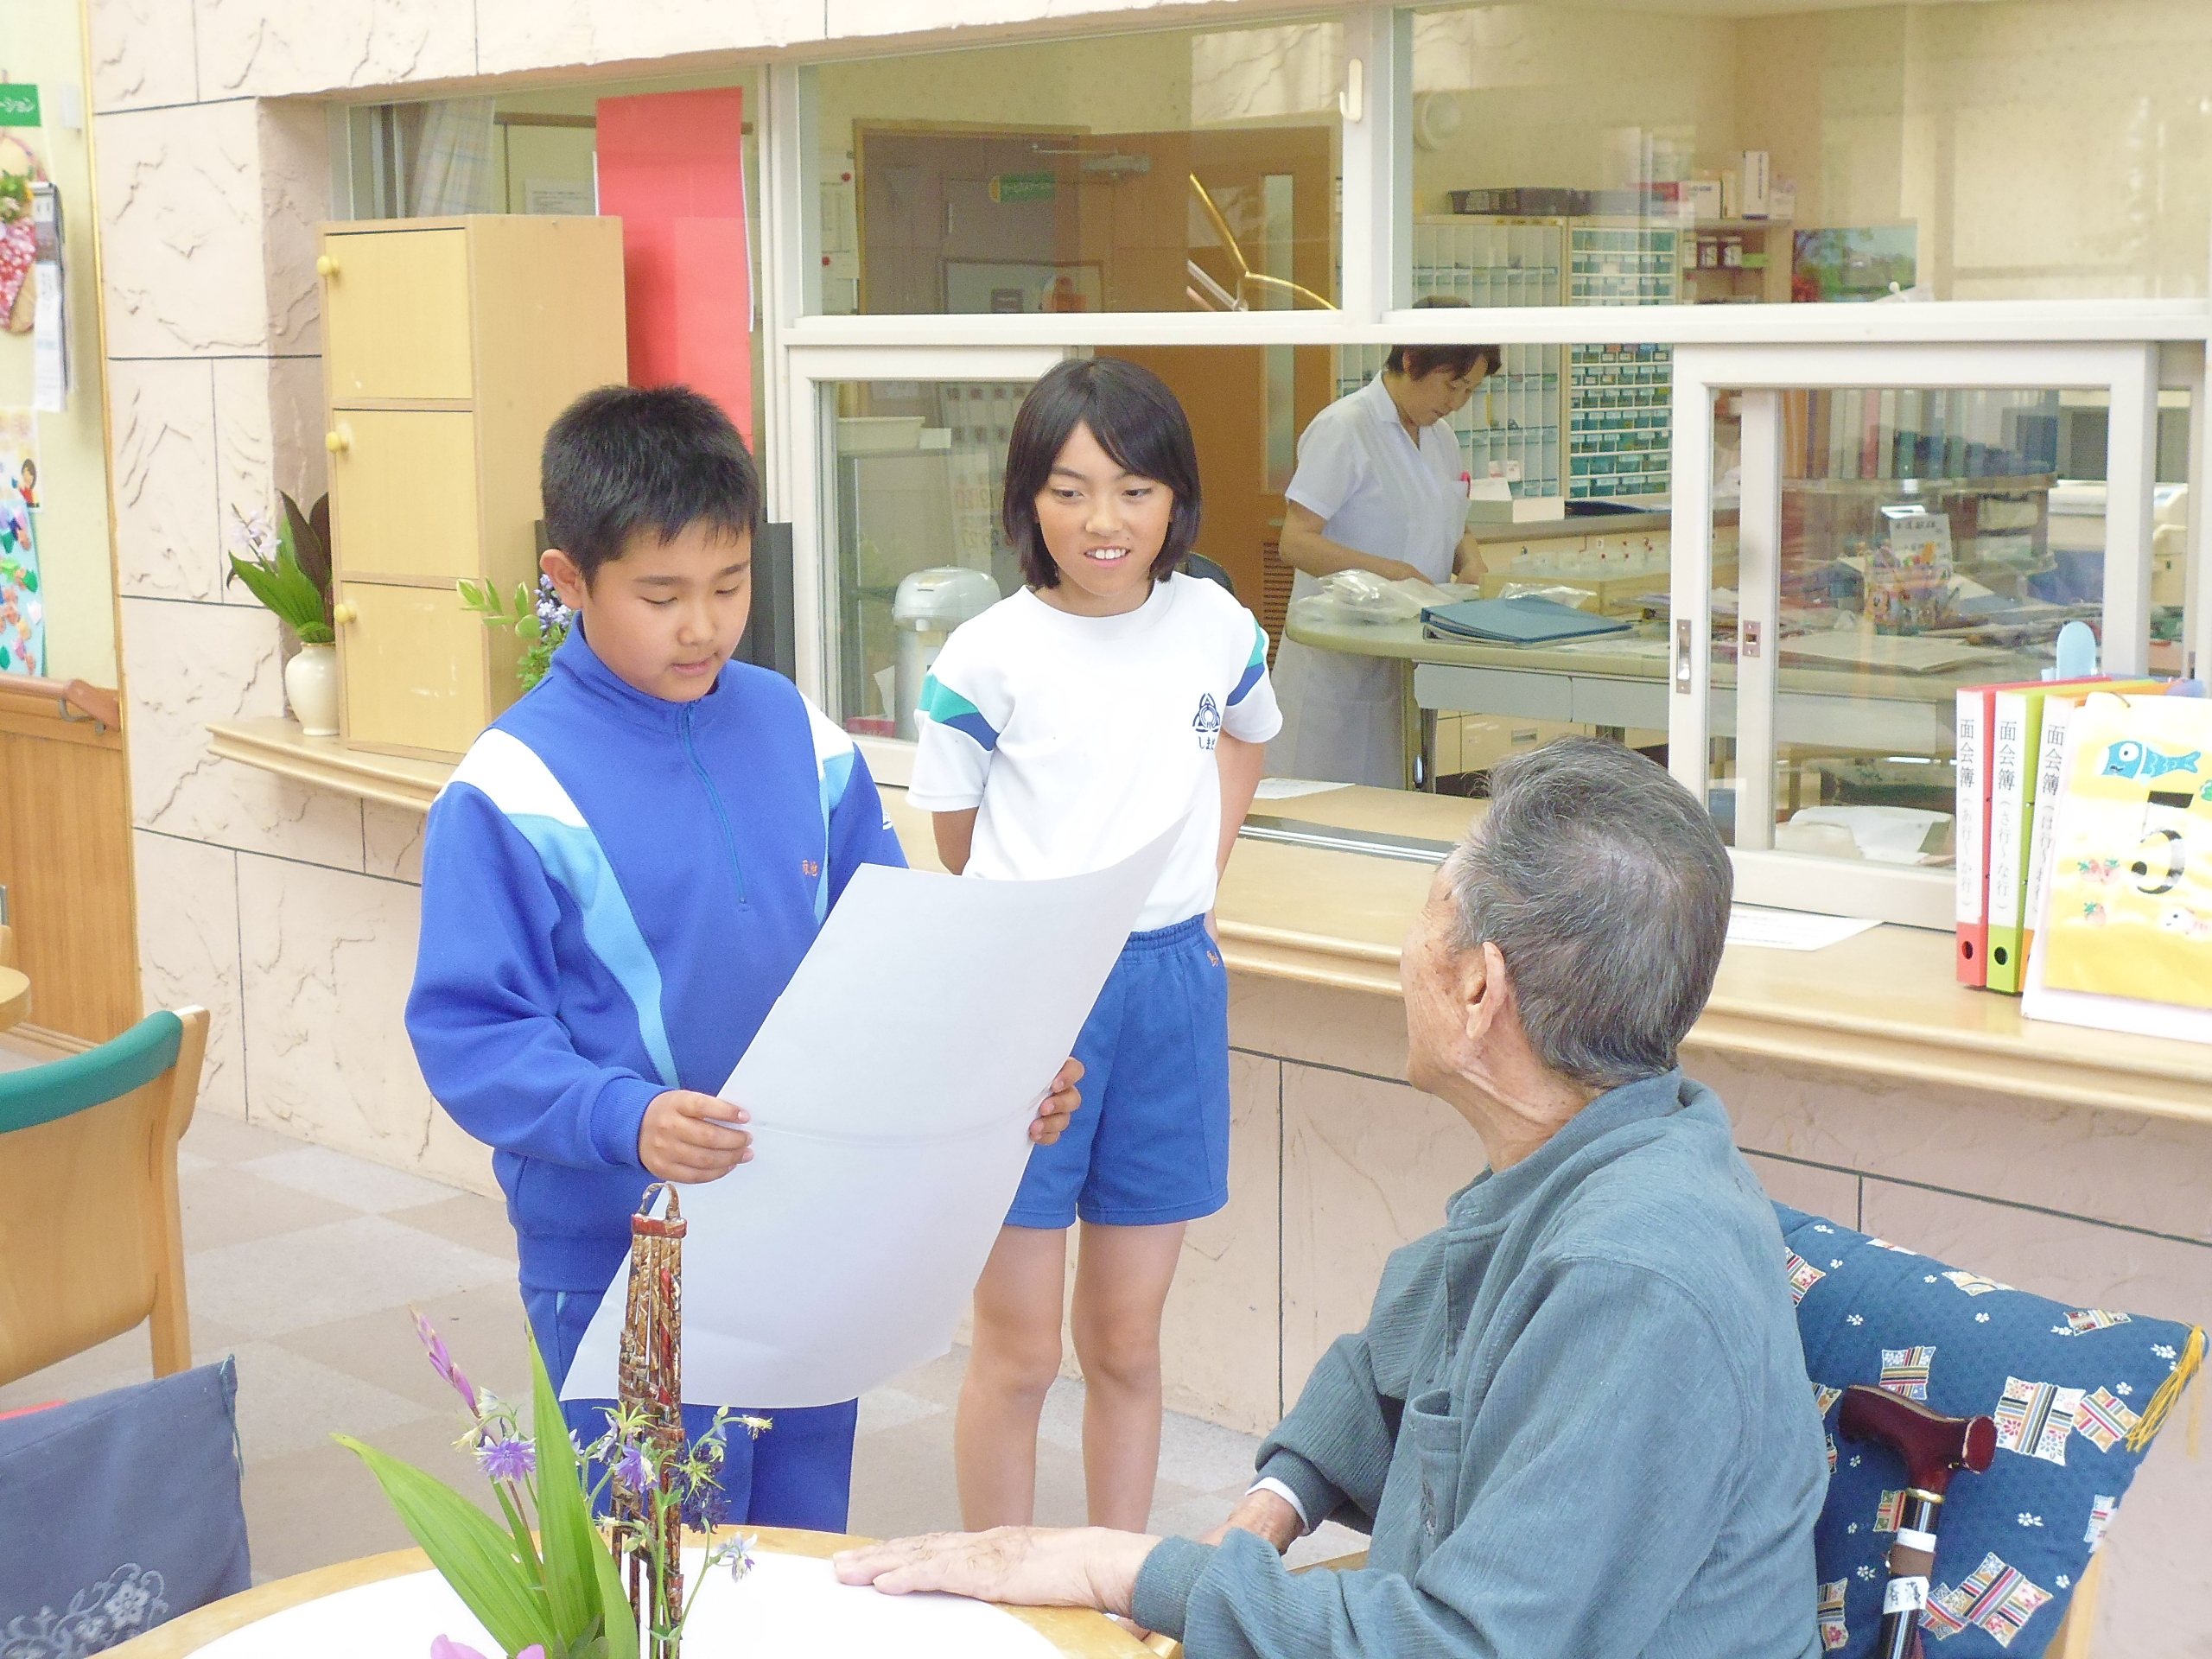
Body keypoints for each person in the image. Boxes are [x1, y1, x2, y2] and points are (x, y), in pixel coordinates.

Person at [836, 737, 1829, 1658]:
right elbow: (1395, 1371)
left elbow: (1466, 1645)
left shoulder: (1633, 1280)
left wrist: (1120, 1566)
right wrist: (1279, 1496)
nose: (1406, 951)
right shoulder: (1598, 1145)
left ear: (1481, 992)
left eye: (1427, 913)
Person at [404, 385, 1083, 1529]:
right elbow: (472, 1036)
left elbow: (893, 959)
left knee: (797, 1550)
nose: (704, 628)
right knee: (659, 1572)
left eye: (728, 586)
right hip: (624, 1253)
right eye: (661, 596)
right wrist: (622, 1116)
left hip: (808, 1234)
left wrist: (1000, 1071)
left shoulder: (797, 731)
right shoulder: (511, 787)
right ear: (568, 583)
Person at [908, 358, 1283, 1536]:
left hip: (1173, 989)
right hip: (1031, 996)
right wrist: (1039, 944)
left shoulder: (1218, 625)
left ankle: (1120, 1591)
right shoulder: (984, 656)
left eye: (1132, 488)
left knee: (1126, 1341)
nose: (1102, 521)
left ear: (1175, 499)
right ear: (1028, 502)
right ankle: (996, 1594)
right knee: (1017, 1354)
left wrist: (1196, 875)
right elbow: (956, 839)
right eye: (1069, 491)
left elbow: (1247, 742)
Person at [1268, 321, 1501, 786]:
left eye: (1470, 391)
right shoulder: (1344, 427)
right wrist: (1387, 573)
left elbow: (1451, 518)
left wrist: (1471, 563)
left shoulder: (1441, 439)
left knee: (1393, 801)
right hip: (1336, 663)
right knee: (1320, 809)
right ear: (1411, 361)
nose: (1455, 403)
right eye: (1452, 385)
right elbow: (1295, 541)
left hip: (1405, 657)